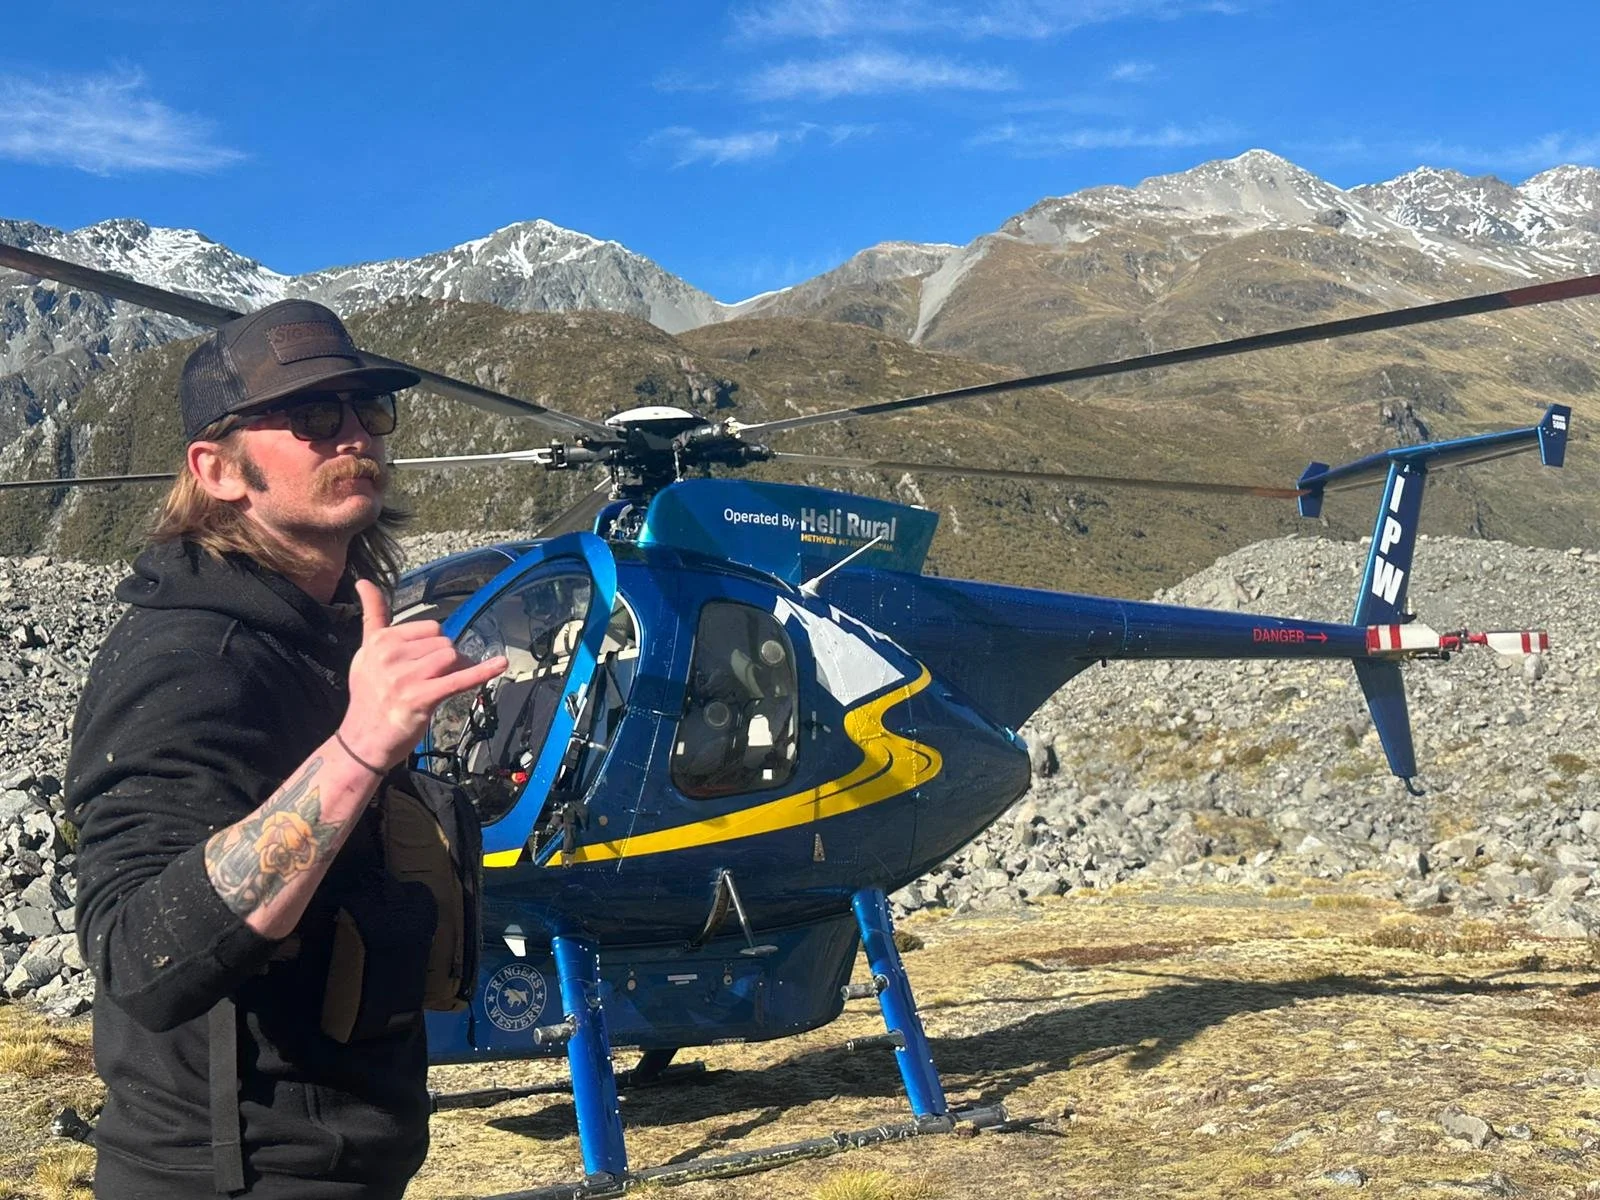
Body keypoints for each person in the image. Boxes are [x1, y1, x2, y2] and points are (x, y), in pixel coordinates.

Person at [65, 299, 507, 1198]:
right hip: (232, 1177)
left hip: (342, 1157)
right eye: (312, 417)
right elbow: (134, 957)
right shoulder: (190, 658)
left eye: (366, 411)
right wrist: (358, 746)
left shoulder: (332, 629)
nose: (354, 435)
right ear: (217, 470)